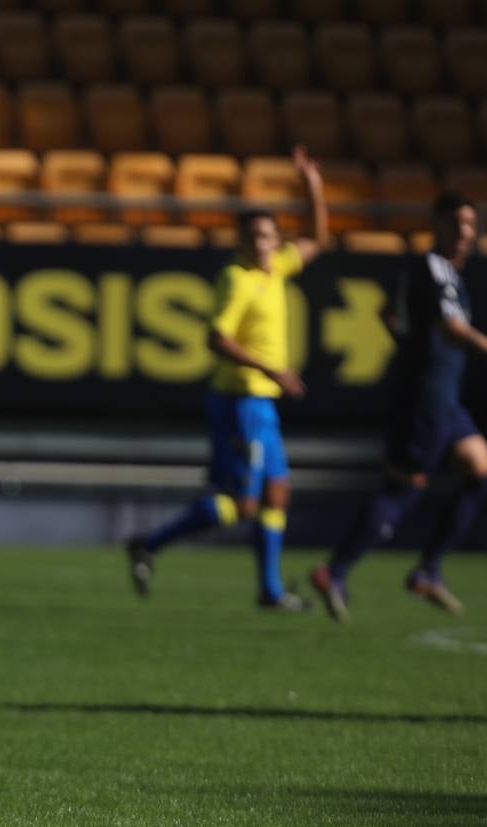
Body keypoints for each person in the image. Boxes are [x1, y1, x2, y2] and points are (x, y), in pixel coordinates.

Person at [127, 146, 328, 610]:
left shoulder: (277, 269)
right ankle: (150, 544)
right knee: (244, 504)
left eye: (268, 235)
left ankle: (271, 591)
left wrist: (312, 188)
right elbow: (216, 338)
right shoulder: (236, 279)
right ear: (242, 240)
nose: (262, 243)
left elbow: (317, 237)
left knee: (278, 491)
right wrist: (271, 369)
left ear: (277, 241)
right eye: (254, 235)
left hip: (262, 404)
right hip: (241, 401)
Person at [310, 192, 487, 623]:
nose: (464, 232)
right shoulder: (434, 268)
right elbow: (451, 328)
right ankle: (335, 571)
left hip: (444, 398)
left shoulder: (438, 271)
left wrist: (410, 349)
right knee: (404, 488)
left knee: (481, 472)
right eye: (456, 223)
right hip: (426, 399)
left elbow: (390, 314)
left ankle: (427, 569)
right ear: (437, 225)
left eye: (469, 224)